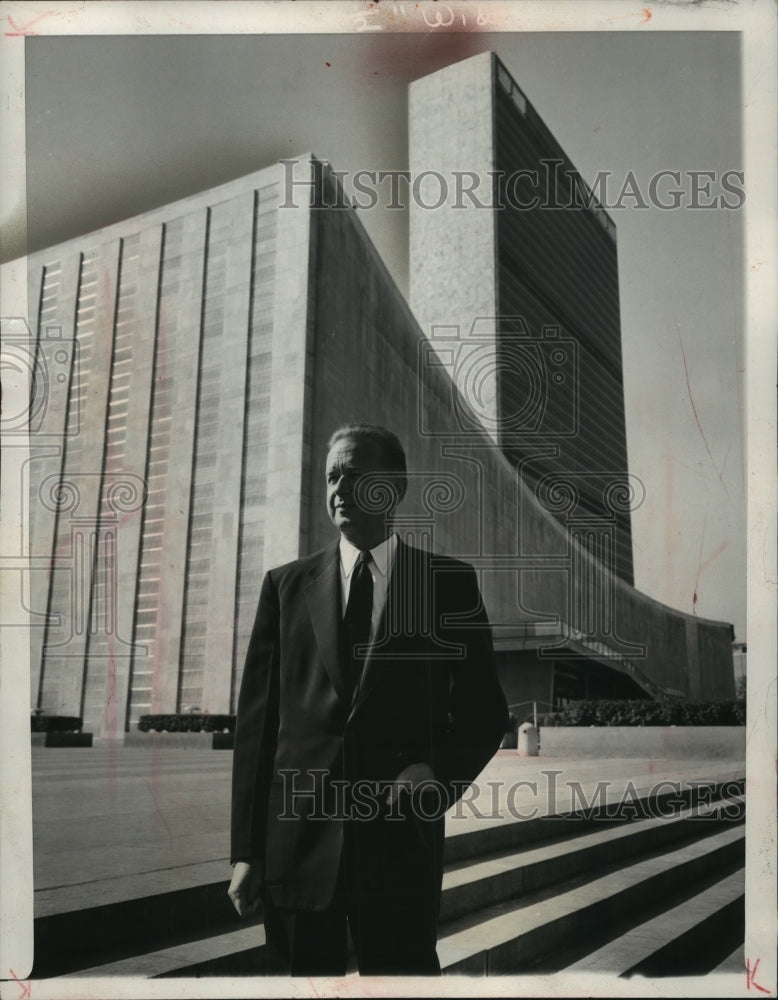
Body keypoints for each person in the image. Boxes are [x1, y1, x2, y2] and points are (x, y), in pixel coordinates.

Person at [228, 423, 507, 976]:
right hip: (299, 849)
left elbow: (485, 711)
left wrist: (438, 773)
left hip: (400, 848)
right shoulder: (285, 588)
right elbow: (258, 731)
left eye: (354, 473)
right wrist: (245, 850)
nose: (338, 487)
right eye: (332, 475)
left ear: (394, 488)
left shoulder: (447, 584)